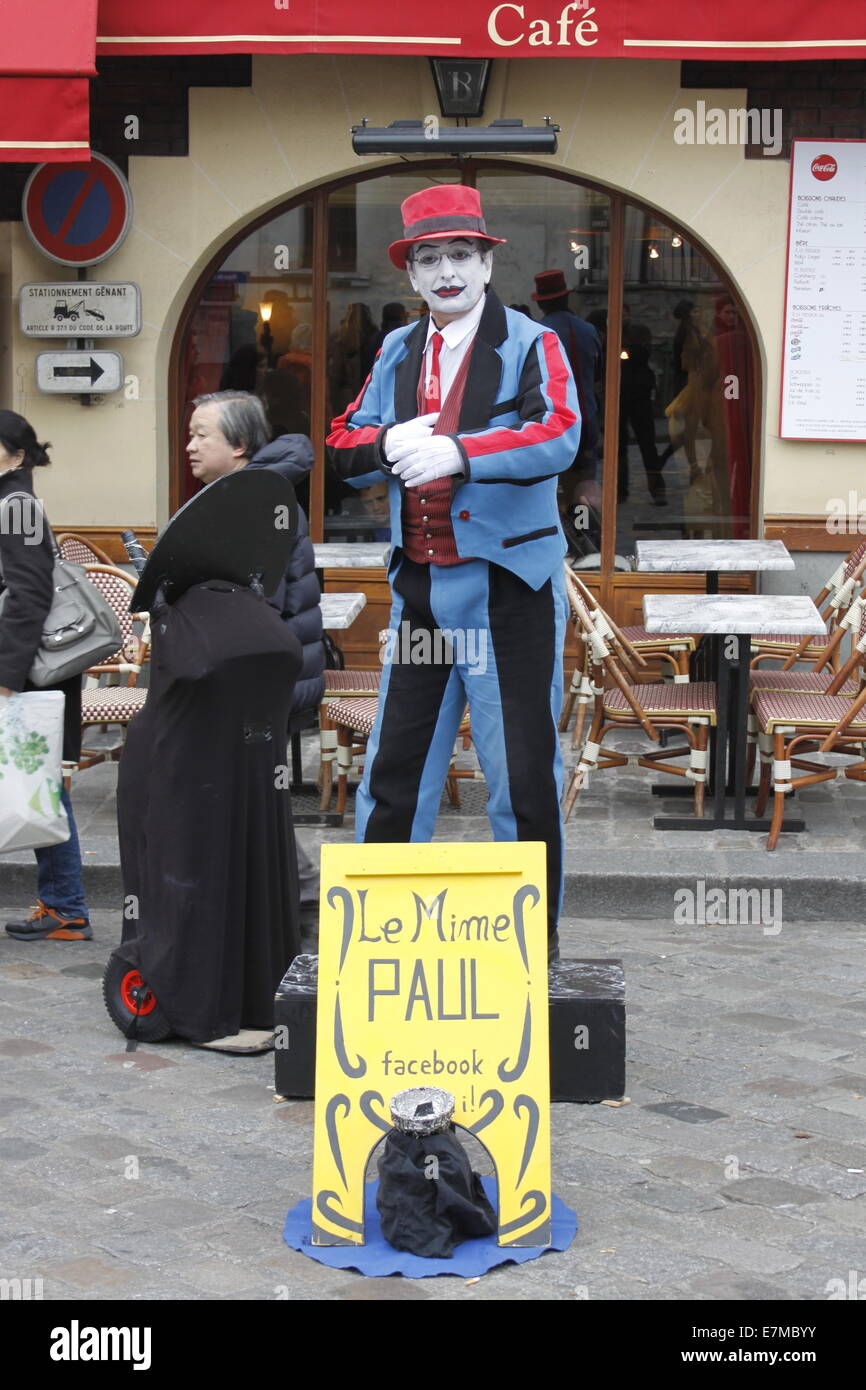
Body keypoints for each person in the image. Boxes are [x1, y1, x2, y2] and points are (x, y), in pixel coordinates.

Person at [327, 185, 580, 955]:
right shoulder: (398, 348)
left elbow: (562, 433)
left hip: (510, 593)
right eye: (429, 258)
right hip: (421, 593)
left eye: (459, 255)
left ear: (484, 263)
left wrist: (463, 452)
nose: (445, 272)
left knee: (522, 777)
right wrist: (381, 448)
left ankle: (535, 949)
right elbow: (344, 440)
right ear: (411, 273)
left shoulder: (534, 343)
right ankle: (379, 941)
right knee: (394, 766)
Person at [186, 390, 324, 944]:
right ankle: (269, 912)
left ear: (240, 445)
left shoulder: (254, 502)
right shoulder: (243, 493)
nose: (189, 445)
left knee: (252, 800)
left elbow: (250, 607)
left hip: (256, 683)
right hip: (257, 678)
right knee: (245, 798)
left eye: (201, 434)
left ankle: (306, 906)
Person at [0, 411, 91, 942]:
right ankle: (64, 903)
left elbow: (30, 595)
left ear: (16, 454)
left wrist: (7, 678)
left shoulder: (17, 506)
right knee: (39, 787)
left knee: (43, 789)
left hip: (29, 672)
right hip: (26, 669)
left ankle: (66, 904)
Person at [531, 270, 602, 547]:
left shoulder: (537, 333)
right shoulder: (589, 330)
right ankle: (584, 538)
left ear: (541, 303)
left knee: (552, 489)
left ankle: (562, 542)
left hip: (552, 423)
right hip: (588, 421)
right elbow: (598, 375)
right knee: (582, 488)